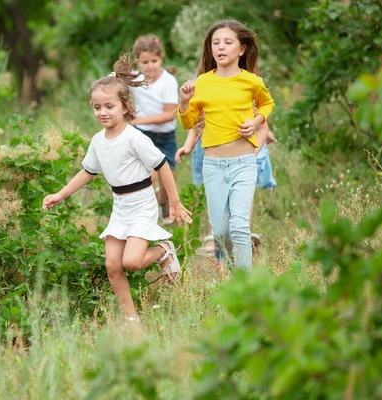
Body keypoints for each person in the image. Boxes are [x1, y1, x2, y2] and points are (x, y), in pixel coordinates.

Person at [43, 55, 192, 322]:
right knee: (113, 265)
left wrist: (175, 202)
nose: (102, 112)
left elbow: (162, 166)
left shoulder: (134, 137)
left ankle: (164, 250)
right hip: (120, 206)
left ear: (124, 107)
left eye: (109, 106)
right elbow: (87, 172)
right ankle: (131, 320)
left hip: (142, 203)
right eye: (97, 107)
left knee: (132, 262)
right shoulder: (98, 141)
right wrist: (60, 195)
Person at [177, 19, 275, 270]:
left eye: (228, 42)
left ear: (241, 50)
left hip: (244, 162)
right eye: (215, 43)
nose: (220, 47)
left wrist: (256, 121)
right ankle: (228, 275)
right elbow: (189, 123)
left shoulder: (251, 81)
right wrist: (185, 101)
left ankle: (244, 285)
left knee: (239, 226)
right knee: (220, 231)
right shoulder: (202, 83)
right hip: (213, 165)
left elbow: (267, 104)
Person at [130, 34, 179, 223]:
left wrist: (140, 120)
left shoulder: (168, 81)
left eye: (154, 60)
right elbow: (116, 88)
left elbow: (169, 114)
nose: (149, 65)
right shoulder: (135, 79)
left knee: (168, 180)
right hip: (144, 135)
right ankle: (147, 214)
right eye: (144, 62)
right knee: (149, 177)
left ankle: (164, 201)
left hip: (166, 136)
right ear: (137, 62)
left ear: (161, 58)